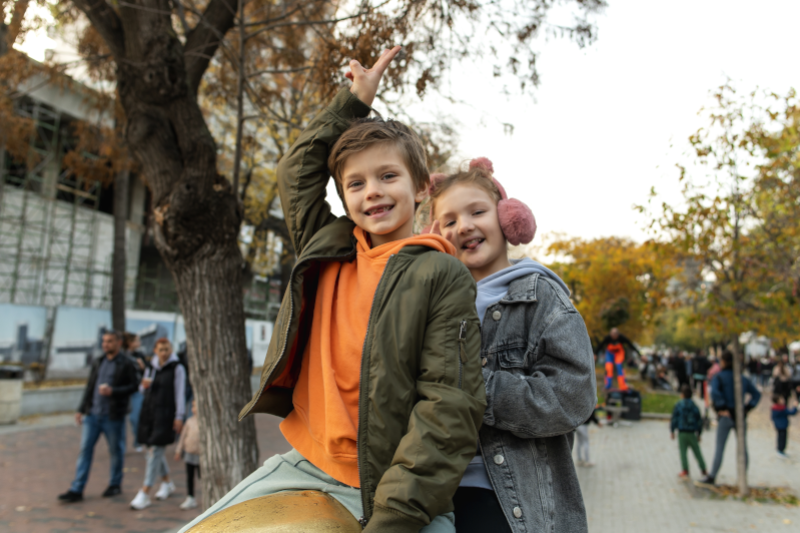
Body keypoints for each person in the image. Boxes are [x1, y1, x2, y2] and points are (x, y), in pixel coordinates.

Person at [179, 46, 485, 533]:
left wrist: (396, 516)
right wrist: (353, 101)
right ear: (342, 194)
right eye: (356, 183)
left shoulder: (440, 274)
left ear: (422, 186)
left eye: (388, 176)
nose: (373, 192)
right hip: (304, 465)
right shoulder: (330, 244)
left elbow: (447, 409)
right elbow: (295, 173)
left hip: (392, 488)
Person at [427, 157, 596, 533]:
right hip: (434, 492)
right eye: (450, 221)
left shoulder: (540, 296)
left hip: (510, 497)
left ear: (508, 220)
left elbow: (574, 395)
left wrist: (474, 387)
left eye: (477, 212)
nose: (465, 226)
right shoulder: (430, 307)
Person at [57, 330, 139, 502]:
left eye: (109, 341)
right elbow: (90, 386)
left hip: (113, 416)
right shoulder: (98, 362)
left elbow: (134, 386)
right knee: (85, 451)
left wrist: (113, 391)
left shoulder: (126, 363)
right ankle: (77, 489)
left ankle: (115, 484)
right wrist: (81, 409)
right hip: (93, 416)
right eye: (104, 341)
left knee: (116, 451)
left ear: (118, 342)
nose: (105, 344)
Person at [130, 338, 186, 510]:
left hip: (166, 415)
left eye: (167, 349)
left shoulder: (177, 368)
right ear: (155, 350)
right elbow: (142, 389)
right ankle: (167, 482)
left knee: (155, 450)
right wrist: (143, 385)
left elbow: (180, 393)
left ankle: (145, 491)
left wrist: (179, 416)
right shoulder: (151, 367)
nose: (164, 352)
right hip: (149, 413)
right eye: (161, 349)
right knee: (153, 450)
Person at [700, 351, 761, 485]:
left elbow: (714, 393)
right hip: (739, 415)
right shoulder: (741, 378)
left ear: (723, 361)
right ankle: (743, 477)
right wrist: (747, 408)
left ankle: (712, 476)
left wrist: (722, 408)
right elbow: (756, 394)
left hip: (726, 416)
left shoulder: (719, 377)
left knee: (720, 447)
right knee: (743, 447)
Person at [670, 385, 707, 479]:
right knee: (697, 451)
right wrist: (699, 433)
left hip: (682, 432)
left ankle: (685, 470)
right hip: (692, 432)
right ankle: (703, 469)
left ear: (682, 395)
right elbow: (699, 420)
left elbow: (674, 418)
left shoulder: (678, 405)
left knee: (683, 452)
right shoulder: (694, 406)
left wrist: (672, 431)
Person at [123, 332, 148, 453]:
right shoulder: (122, 356)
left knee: (135, 418)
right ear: (130, 342)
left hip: (137, 391)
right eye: (137, 340)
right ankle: (121, 446)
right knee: (122, 420)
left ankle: (137, 440)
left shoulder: (140, 355)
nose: (139, 343)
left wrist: (143, 367)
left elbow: (146, 373)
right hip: (123, 391)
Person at [174, 399, 200, 509]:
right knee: (190, 477)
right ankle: (190, 497)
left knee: (202, 476)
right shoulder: (189, 421)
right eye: (192, 406)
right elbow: (183, 437)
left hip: (201, 456)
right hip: (189, 454)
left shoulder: (205, 422)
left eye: (196, 406)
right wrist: (178, 450)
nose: (193, 409)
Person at [770, 393, 797, 458]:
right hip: (783, 425)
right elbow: (792, 412)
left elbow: (772, 417)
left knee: (780, 438)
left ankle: (779, 450)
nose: (783, 400)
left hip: (778, 426)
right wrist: (795, 406)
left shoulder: (774, 408)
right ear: (778, 401)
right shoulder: (782, 408)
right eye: (781, 399)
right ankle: (781, 451)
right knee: (783, 438)